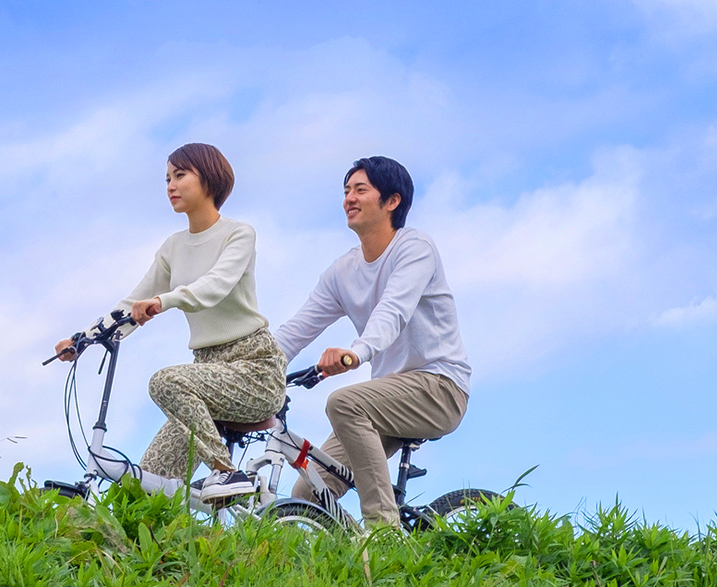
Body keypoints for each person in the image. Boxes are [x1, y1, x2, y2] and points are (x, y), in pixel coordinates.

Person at [54, 143, 286, 500]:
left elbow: (215, 286)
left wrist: (165, 301)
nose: (170, 186)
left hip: (253, 368)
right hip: (204, 375)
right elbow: (132, 305)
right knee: (141, 489)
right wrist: (81, 340)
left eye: (180, 175)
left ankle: (226, 472)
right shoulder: (172, 247)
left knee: (164, 381)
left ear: (209, 179)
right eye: (167, 179)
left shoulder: (239, 233)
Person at [273, 156, 471, 529]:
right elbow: (295, 330)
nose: (349, 198)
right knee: (307, 494)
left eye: (360, 189)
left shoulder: (415, 249)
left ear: (391, 201)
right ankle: (351, 544)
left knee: (344, 402)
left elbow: (393, 311)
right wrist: (254, 365)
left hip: (439, 387)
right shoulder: (342, 272)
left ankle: (384, 532)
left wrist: (356, 352)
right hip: (386, 398)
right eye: (346, 190)